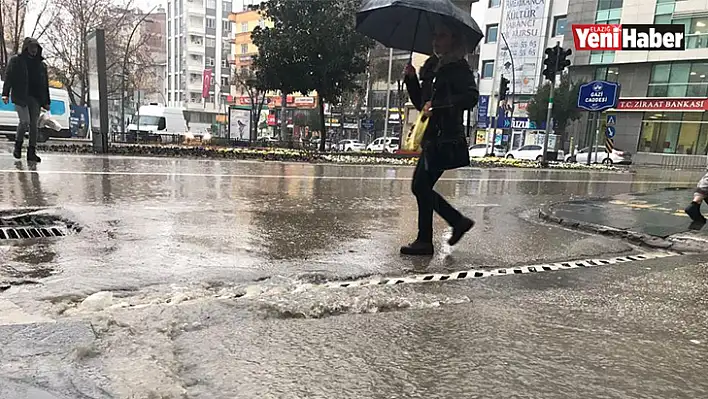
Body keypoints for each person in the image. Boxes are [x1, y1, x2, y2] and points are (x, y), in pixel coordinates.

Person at [400, 23, 479, 256]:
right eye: (434, 35)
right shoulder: (431, 67)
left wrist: (439, 104)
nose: (436, 40)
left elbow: (470, 98)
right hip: (431, 137)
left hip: (446, 138)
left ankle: (455, 223)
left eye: (442, 35)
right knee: (422, 187)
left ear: (454, 39)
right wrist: (412, 80)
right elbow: (421, 105)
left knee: (420, 186)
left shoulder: (458, 67)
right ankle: (426, 240)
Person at [2, 37, 50, 163]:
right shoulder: (16, 61)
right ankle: (18, 146)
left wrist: (46, 102)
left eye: (36, 47)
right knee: (24, 121)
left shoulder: (41, 65)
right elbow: (9, 77)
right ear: (26, 48)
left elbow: (45, 84)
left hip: (35, 98)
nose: (34, 50)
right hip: (20, 96)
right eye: (31, 47)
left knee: (34, 125)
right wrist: (5, 93)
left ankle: (31, 151)